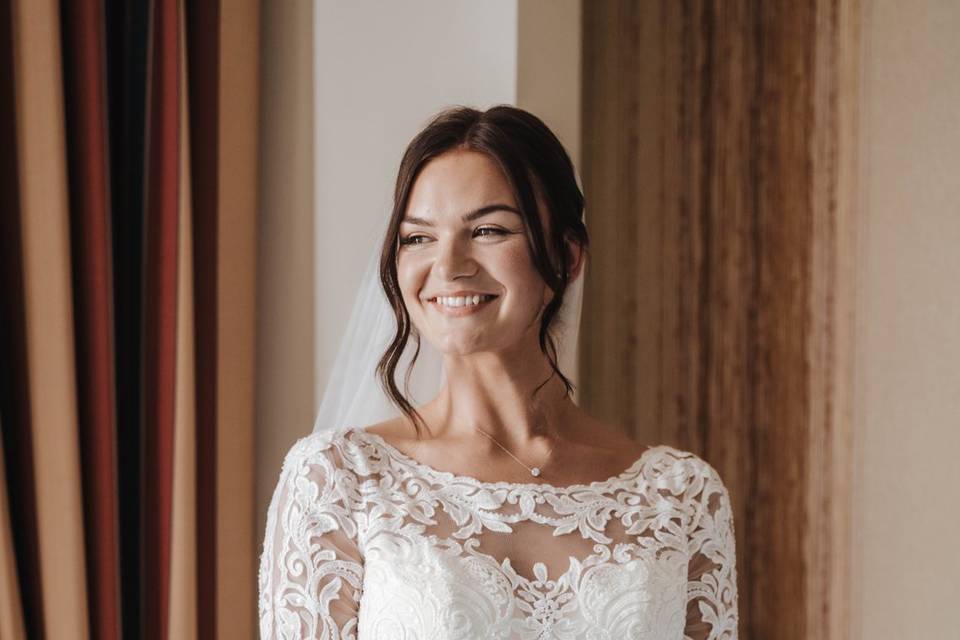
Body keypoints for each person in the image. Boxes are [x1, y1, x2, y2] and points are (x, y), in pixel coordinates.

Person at [258, 105, 739, 639]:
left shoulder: (681, 497)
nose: (448, 266)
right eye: (418, 238)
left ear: (567, 256)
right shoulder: (340, 480)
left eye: (487, 230)